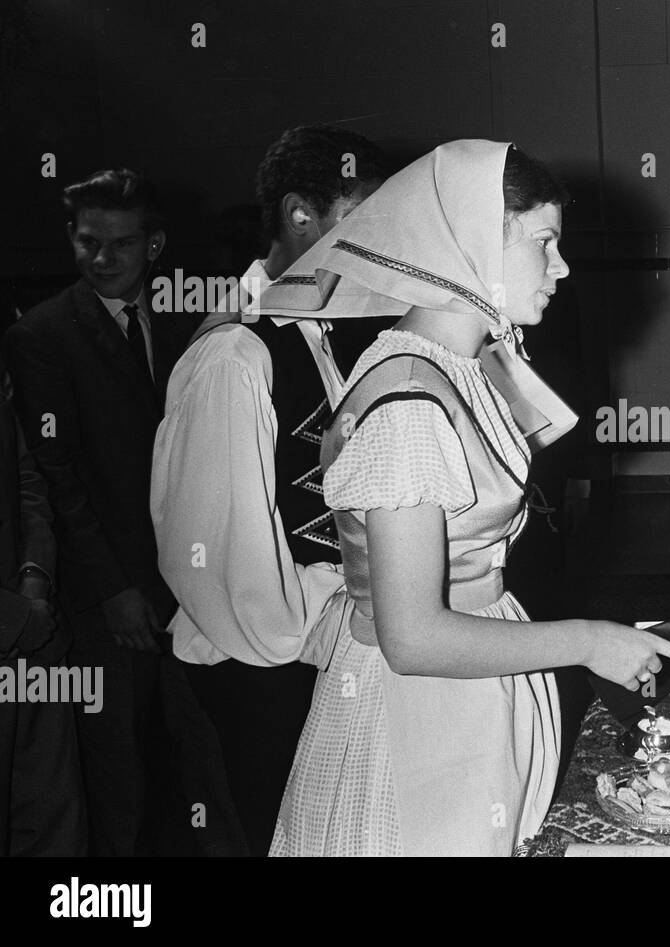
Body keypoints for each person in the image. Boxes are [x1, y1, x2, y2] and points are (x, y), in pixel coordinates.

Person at [258, 139, 670, 856]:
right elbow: (413, 636)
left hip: (473, 684)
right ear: (467, 243)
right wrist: (590, 639)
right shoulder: (408, 399)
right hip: (420, 711)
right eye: (544, 243)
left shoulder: (472, 365)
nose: (560, 267)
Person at [150, 125, 387, 855]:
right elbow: (212, 555)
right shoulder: (234, 350)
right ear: (300, 215)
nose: (382, 245)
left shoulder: (317, 332)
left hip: (308, 653)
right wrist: (302, 639)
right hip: (255, 666)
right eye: (364, 220)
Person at [2, 169, 194, 855]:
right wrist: (114, 586)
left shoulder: (185, 321)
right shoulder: (43, 335)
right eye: (88, 243)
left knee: (190, 775)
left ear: (155, 244)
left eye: (121, 244)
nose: (103, 259)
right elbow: (57, 477)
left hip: (193, 591)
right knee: (119, 791)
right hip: (106, 602)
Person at [0, 395, 84, 855]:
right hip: (19, 627)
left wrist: (36, 577)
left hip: (36, 642)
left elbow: (26, 482)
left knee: (52, 823)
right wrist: (14, 619)